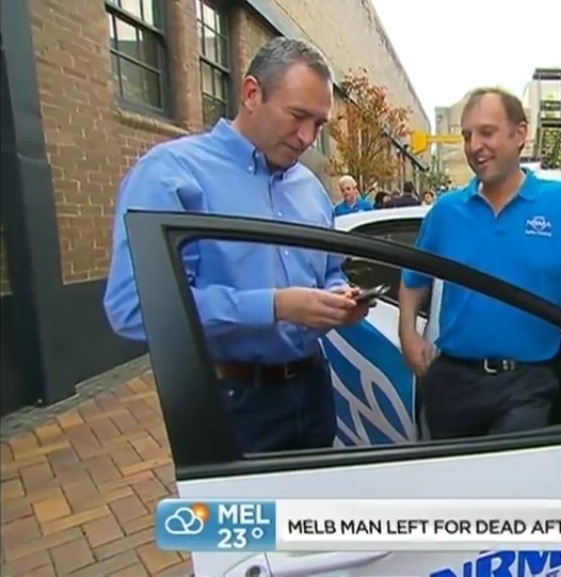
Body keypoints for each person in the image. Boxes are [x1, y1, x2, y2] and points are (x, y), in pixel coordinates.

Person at [103, 38, 372, 454]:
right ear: (251, 93)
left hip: (314, 387)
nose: (307, 137)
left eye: (319, 125)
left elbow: (330, 270)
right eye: (297, 116)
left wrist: (339, 297)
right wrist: (275, 306)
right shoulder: (170, 175)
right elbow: (134, 308)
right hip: (232, 400)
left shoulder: (311, 188)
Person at [397, 87, 561, 439]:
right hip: (452, 384)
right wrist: (407, 332)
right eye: (467, 136)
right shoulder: (446, 213)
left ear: (520, 133)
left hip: (528, 386)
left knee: (508, 473)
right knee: (452, 475)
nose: (475, 146)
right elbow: (414, 278)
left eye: (487, 132)